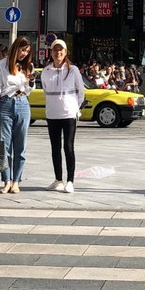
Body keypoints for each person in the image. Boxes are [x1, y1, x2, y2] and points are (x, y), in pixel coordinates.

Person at [41, 38, 85, 193]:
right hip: (52, 114)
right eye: (55, 50)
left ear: (65, 52)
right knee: (55, 147)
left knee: (68, 146)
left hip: (68, 114)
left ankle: (70, 181)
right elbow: (46, 90)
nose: (57, 53)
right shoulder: (46, 71)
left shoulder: (72, 70)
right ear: (51, 52)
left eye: (61, 50)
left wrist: (75, 108)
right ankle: (58, 179)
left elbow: (81, 92)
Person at [0, 37, 34, 195]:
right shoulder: (1, 65)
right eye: (23, 50)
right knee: (5, 146)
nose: (24, 54)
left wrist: (31, 81)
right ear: (16, 48)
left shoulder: (27, 66)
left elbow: (29, 90)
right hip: (5, 104)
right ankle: (6, 181)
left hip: (22, 103)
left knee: (20, 146)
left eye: (27, 51)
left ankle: (16, 181)